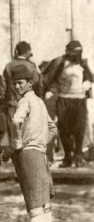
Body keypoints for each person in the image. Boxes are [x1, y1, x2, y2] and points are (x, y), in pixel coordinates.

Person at [9, 63, 57, 222]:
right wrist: (42, 142)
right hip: (41, 153)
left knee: (34, 204)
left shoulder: (25, 102)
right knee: (45, 203)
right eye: (15, 84)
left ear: (30, 83)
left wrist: (19, 143)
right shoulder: (40, 102)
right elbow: (52, 128)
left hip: (29, 154)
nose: (17, 87)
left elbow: (15, 121)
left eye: (20, 83)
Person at [42, 40, 93, 168]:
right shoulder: (60, 62)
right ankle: (67, 157)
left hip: (79, 99)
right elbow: (48, 78)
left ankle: (79, 156)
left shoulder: (82, 63)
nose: (77, 55)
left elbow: (90, 77)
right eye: (74, 52)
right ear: (68, 52)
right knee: (64, 129)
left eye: (79, 52)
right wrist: (52, 89)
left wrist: (86, 84)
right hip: (64, 99)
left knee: (79, 128)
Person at [3, 41, 42, 153]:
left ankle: (16, 152)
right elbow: (38, 83)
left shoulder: (8, 66)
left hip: (12, 102)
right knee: (28, 126)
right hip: (28, 101)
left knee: (14, 127)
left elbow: (3, 86)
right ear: (27, 52)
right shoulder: (32, 66)